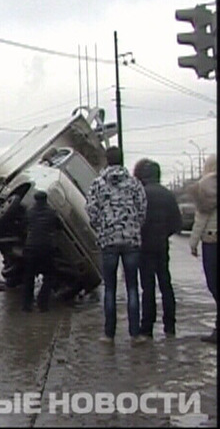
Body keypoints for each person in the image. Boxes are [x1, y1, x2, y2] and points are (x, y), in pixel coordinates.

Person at [86, 146, 147, 343]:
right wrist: (134, 226)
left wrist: (101, 227)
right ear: (122, 160)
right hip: (131, 240)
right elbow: (142, 209)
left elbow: (91, 210)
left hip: (108, 240)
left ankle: (109, 334)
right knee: (131, 287)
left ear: (107, 161)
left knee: (110, 288)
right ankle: (135, 334)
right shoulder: (134, 183)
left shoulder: (98, 184)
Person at [133, 159, 182, 339]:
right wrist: (163, 234)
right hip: (162, 246)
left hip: (144, 248)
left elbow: (135, 221)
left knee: (148, 288)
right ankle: (170, 326)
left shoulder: (140, 194)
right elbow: (177, 223)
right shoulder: (168, 195)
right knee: (166, 285)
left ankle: (147, 327)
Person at [187, 154, 217, 344]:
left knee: (214, 285)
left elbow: (201, 220)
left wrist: (193, 243)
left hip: (211, 242)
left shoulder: (204, 188)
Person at [21, 191, 60, 312]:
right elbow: (59, 226)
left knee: (29, 277)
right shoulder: (51, 213)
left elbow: (23, 225)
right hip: (46, 248)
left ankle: (27, 305)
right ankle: (42, 302)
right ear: (46, 199)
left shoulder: (30, 212)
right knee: (50, 276)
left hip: (31, 247)